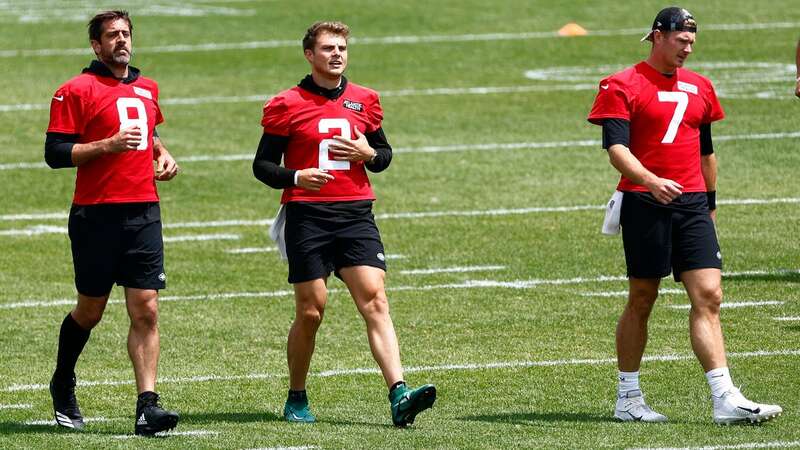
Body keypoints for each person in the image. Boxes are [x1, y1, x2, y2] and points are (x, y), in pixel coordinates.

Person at [588, 7, 782, 424]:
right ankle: (628, 397)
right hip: (645, 200)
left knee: (709, 295)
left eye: (692, 41)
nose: (688, 48)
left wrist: (710, 202)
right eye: (681, 40)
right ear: (658, 36)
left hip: (692, 202)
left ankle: (724, 397)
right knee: (643, 297)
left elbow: (706, 151)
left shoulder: (701, 87)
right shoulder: (622, 84)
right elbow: (616, 150)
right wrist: (651, 179)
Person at [252, 21, 436, 427]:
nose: (337, 54)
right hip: (307, 216)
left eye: (342, 48)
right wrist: (296, 177)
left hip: (356, 214)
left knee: (375, 299)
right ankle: (296, 395)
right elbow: (262, 165)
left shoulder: (364, 100)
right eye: (328, 48)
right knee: (311, 311)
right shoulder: (287, 103)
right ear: (309, 55)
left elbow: (384, 156)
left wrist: (368, 152)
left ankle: (399, 394)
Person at [45, 10, 180, 435]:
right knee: (91, 310)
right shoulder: (75, 90)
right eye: (112, 36)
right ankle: (62, 380)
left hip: (143, 211)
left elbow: (148, 133)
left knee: (147, 309)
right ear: (96, 45)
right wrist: (107, 145)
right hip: (95, 214)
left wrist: (162, 153)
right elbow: (55, 153)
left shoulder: (147, 87)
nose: (121, 41)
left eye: (126, 34)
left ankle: (147, 407)